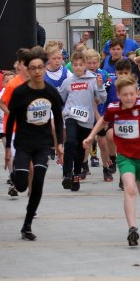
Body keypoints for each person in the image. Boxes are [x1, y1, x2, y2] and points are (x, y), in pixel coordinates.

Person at [84, 76, 140, 246]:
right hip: (125, 157)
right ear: (118, 95)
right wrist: (91, 136)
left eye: (132, 94)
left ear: (137, 93)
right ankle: (132, 229)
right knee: (129, 189)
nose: (129, 98)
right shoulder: (113, 108)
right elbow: (103, 120)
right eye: (125, 95)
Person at [4, 47, 65, 241]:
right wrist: (7, 149)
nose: (37, 71)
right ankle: (15, 175)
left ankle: (27, 225)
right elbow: (11, 120)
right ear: (27, 70)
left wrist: (59, 143)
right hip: (23, 143)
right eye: (33, 68)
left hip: (42, 144)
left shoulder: (51, 92)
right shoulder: (20, 92)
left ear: (45, 68)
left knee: (38, 182)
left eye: (40, 67)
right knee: (21, 185)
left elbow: (58, 119)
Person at [58, 50, 106, 191]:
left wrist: (100, 86)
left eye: (81, 64)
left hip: (86, 120)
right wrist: (62, 112)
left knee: (80, 150)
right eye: (75, 65)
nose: (78, 67)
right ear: (71, 65)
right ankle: (67, 174)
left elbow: (102, 99)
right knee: (70, 142)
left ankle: (76, 177)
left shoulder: (93, 79)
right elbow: (60, 99)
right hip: (71, 117)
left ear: (85, 65)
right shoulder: (68, 82)